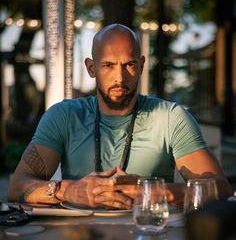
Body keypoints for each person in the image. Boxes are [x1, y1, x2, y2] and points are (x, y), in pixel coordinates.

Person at [8, 23, 232, 209]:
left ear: (142, 65)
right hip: (79, 239)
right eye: (108, 65)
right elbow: (17, 186)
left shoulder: (171, 117)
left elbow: (221, 189)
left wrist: (156, 191)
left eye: (129, 64)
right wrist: (68, 190)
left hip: (148, 233)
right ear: (91, 68)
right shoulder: (63, 115)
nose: (120, 77)